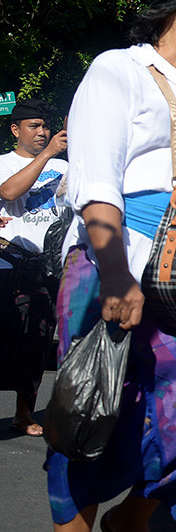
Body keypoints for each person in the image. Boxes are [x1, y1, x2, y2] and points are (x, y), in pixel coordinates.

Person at [47, 0, 176, 531]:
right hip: (118, 265)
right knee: (94, 408)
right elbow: (96, 180)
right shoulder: (118, 70)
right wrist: (114, 274)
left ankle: (129, 519)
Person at [0, 98, 68, 437]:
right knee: (5, 338)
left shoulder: (66, 168)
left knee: (37, 343)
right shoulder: (4, 163)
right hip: (10, 267)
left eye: (45, 126)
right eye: (34, 126)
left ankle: (23, 413)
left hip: (49, 268)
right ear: (16, 130)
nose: (42, 132)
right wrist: (47, 155)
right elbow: (9, 190)